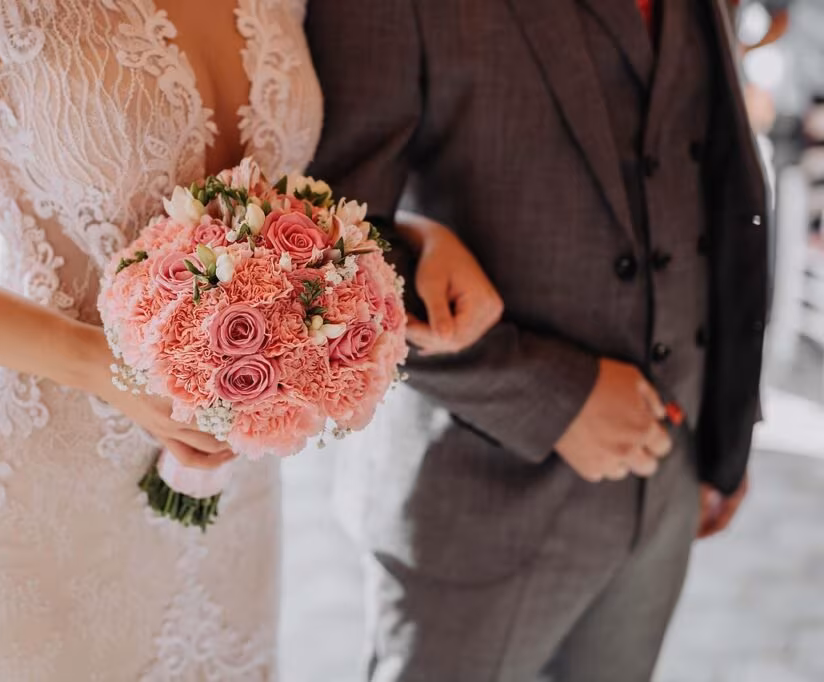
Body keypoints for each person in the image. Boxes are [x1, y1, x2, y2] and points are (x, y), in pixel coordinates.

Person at [0, 0, 498, 678]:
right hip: (44, 501)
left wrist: (405, 243)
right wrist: (98, 364)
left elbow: (281, 193)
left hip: (230, 498)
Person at [308, 1, 769, 680]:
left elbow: (712, 176)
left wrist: (726, 424)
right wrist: (553, 395)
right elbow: (326, 251)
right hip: (474, 498)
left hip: (668, 472)